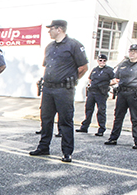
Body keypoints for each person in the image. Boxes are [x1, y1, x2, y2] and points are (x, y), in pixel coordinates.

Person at [30, 20, 88, 162]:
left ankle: (67, 152)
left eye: (51, 29)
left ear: (59, 29)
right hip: (48, 88)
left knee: (65, 121)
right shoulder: (49, 47)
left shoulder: (74, 45)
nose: (49, 31)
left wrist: (71, 80)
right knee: (46, 119)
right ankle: (44, 147)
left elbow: (83, 67)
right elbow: (47, 66)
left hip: (64, 89)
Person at [104, 44, 137, 149]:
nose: (132, 53)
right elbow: (117, 78)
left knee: (135, 117)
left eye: (135, 51)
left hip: (135, 93)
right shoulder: (124, 64)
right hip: (122, 93)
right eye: (131, 51)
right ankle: (113, 138)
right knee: (118, 116)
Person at [76, 54, 115, 136]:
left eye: (104, 60)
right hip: (92, 92)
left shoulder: (109, 70)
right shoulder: (95, 69)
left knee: (101, 111)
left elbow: (114, 80)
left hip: (101, 93)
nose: (102, 62)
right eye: (100, 60)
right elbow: (90, 79)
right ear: (98, 61)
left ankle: (101, 129)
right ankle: (84, 127)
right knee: (88, 109)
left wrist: (106, 85)